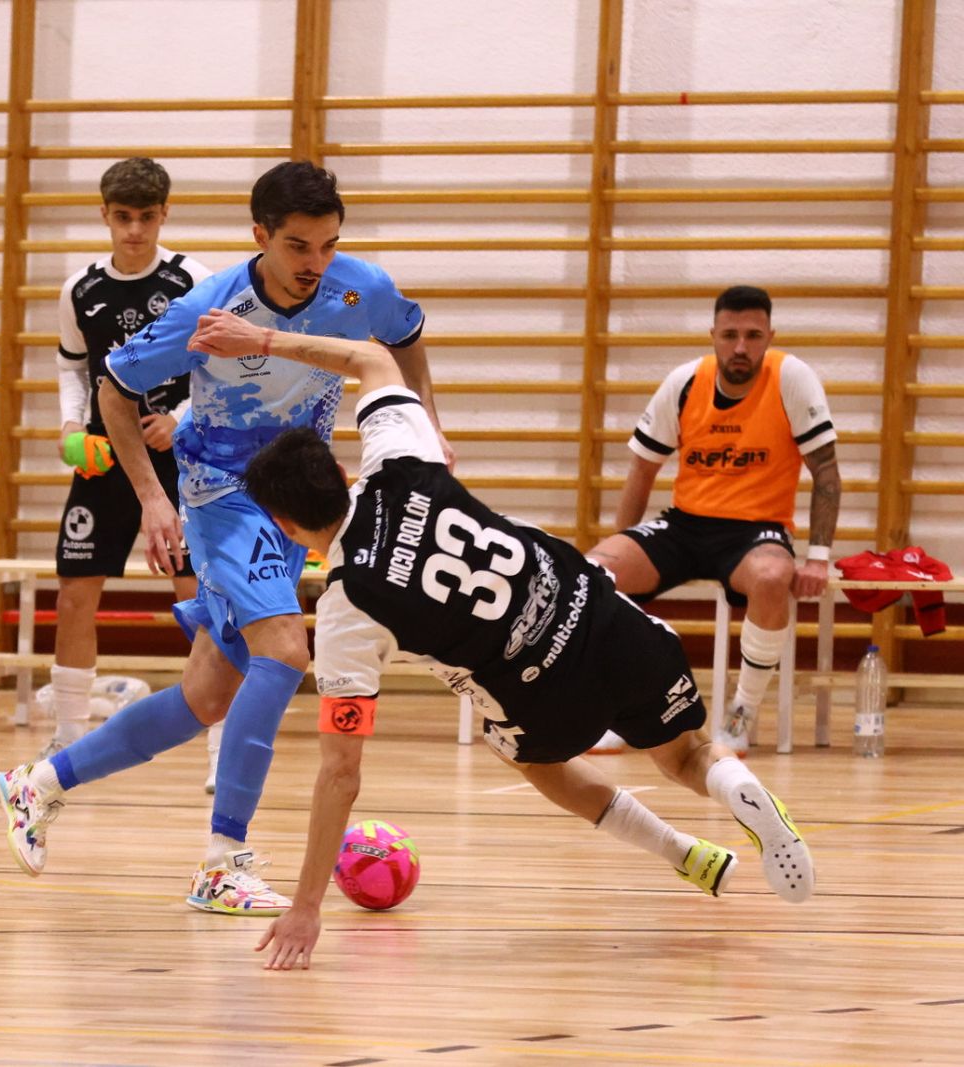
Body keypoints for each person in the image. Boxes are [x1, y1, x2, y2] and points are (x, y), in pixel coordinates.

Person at [177, 311, 814, 971]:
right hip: (596, 612)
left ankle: (682, 853)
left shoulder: (346, 610)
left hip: (539, 692)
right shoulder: (401, 460)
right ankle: (738, 788)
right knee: (687, 754)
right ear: (341, 475)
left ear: (282, 524)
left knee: (529, 758)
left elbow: (341, 771)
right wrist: (263, 340)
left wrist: (307, 906)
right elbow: (373, 360)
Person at [0, 161, 449, 915]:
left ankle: (38, 783)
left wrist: (425, 423)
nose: (316, 263)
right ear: (260, 235)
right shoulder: (207, 306)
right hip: (220, 491)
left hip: (295, 496)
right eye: (298, 246)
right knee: (286, 651)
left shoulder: (359, 286)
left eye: (329, 245)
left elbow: (405, 339)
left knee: (206, 694)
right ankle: (222, 862)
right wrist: (152, 497)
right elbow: (114, 388)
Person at [586, 286, 840, 755]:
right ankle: (622, 711)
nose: (741, 347)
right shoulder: (685, 382)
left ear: (770, 337)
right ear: (713, 336)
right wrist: (623, 538)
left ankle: (740, 715)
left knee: (772, 577)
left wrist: (818, 557)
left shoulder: (791, 378)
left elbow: (825, 469)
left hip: (756, 529)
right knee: (597, 574)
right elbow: (642, 469)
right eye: (730, 335)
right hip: (686, 525)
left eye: (753, 335)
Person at [44, 157, 213, 775]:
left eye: (146, 217)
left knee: (199, 597)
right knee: (74, 593)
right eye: (122, 217)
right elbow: (72, 367)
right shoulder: (80, 289)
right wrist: (71, 424)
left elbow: (223, 366)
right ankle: (67, 738)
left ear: (164, 214)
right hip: (104, 458)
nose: (134, 230)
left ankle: (219, 746)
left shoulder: (193, 280)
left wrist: (182, 418)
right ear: (105, 216)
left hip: (181, 461)